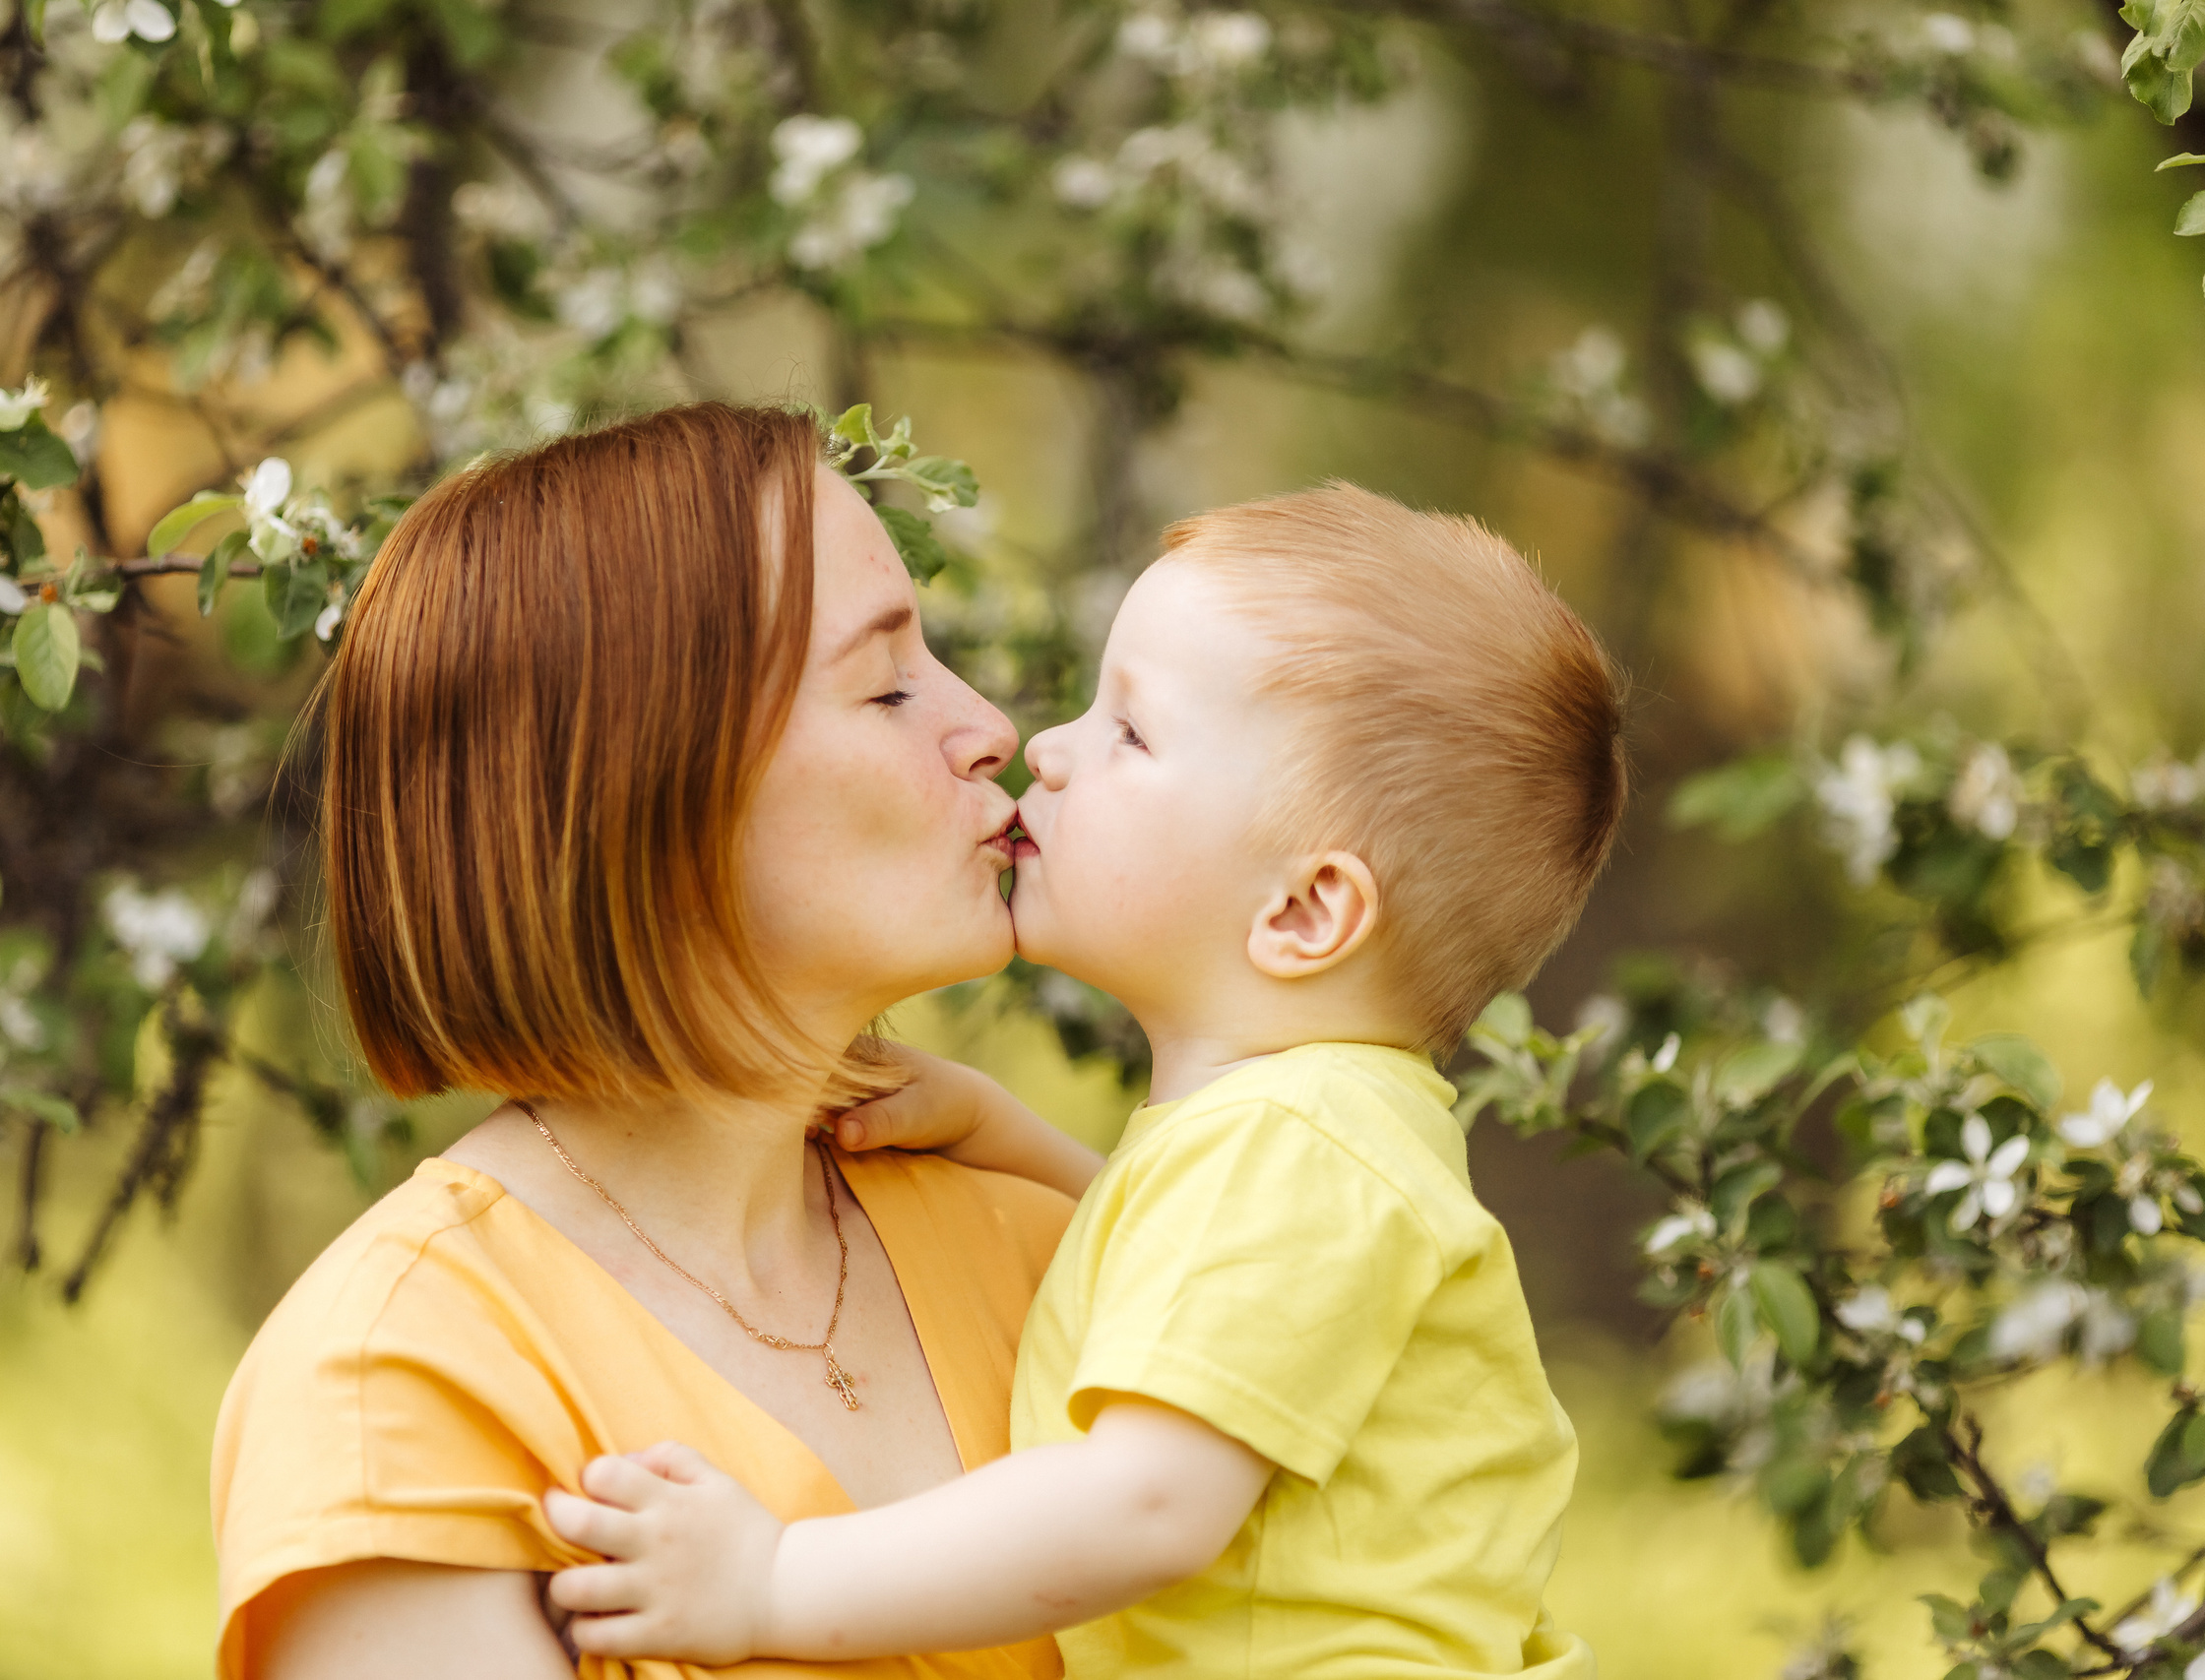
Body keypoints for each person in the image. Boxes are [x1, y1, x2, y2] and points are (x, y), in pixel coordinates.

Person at [538, 482, 1628, 1680]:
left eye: (1130, 732)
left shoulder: (1295, 1142)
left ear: (1305, 910)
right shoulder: (1318, 1138)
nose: (1045, 747)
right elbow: (1199, 1280)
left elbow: (1145, 1506)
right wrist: (1007, 1132)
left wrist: (773, 1585)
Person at [208, 403, 1084, 1680]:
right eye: (888, 681)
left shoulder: (1035, 1230)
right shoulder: (401, 1372)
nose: (993, 723)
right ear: (646, 790)